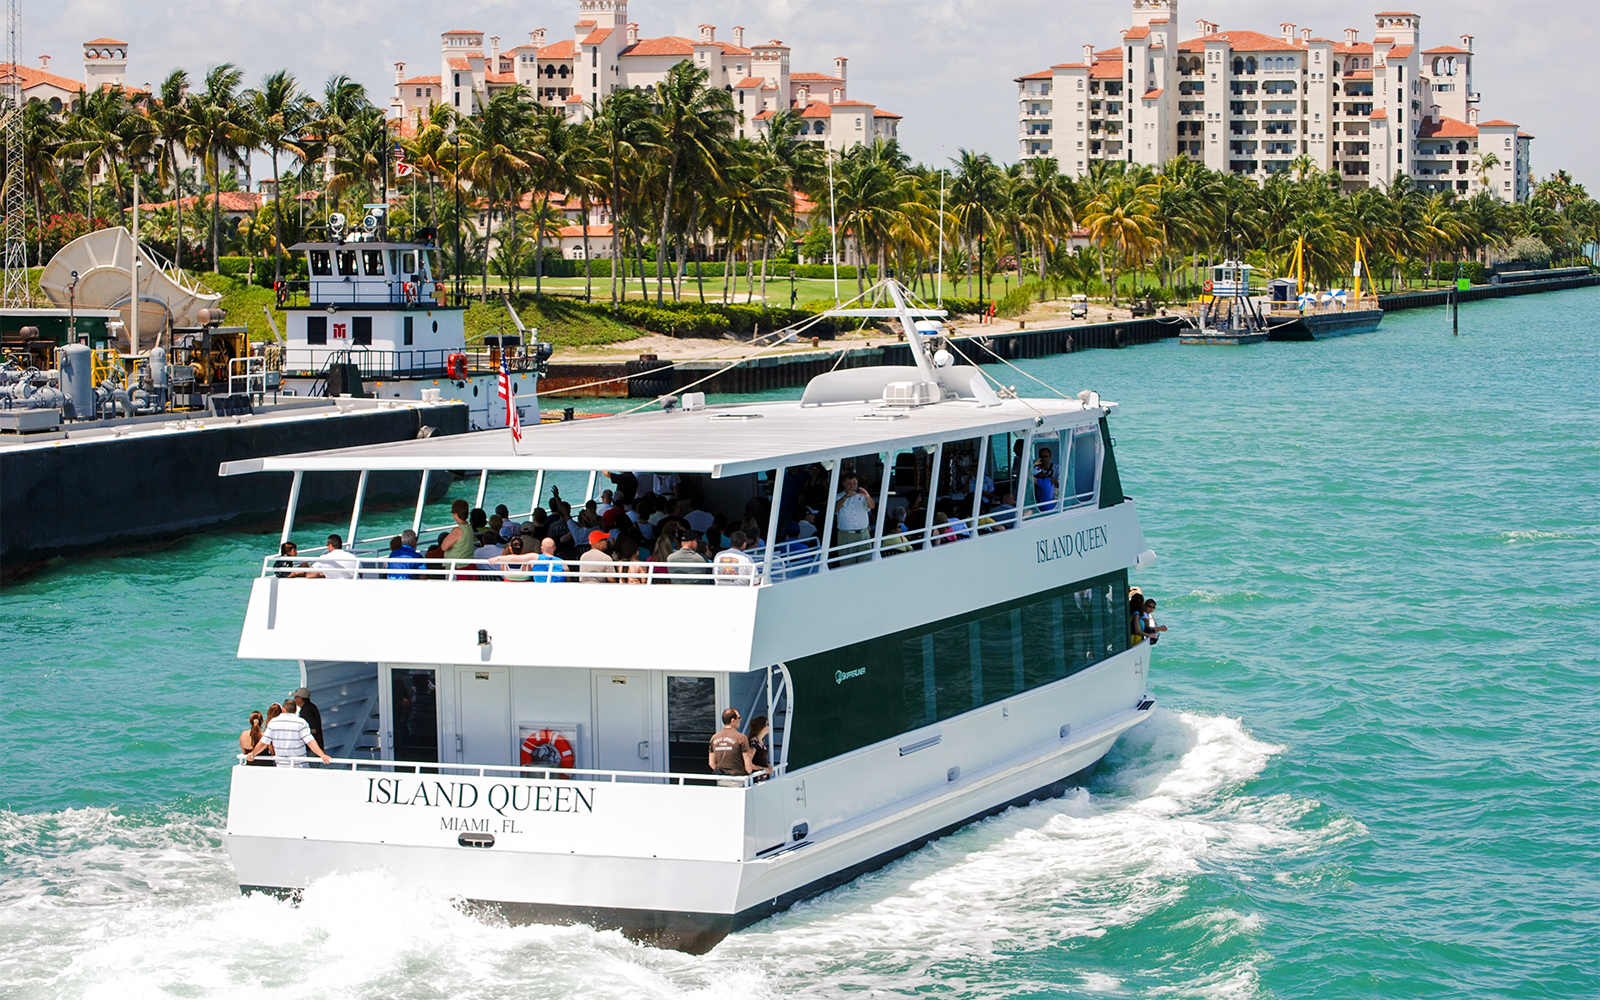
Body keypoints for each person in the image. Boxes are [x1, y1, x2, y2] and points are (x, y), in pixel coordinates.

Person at [246, 700, 331, 767]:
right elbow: (310, 741)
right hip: (300, 766)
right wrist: (322, 755)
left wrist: (253, 754)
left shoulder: (273, 722)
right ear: (296, 710)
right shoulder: (301, 722)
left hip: (281, 766)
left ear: (283, 709)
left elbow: (264, 742)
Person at [707, 708, 753, 783]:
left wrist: (723, 773)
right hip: (738, 780)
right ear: (733, 721)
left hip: (722, 780)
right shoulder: (741, 738)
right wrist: (749, 774)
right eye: (739, 718)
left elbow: (711, 763)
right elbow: (748, 763)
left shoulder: (714, 738)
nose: (740, 720)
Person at [441, 499, 476, 563]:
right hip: (467, 562)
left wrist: (452, 545)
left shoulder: (458, 530)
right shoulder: (469, 527)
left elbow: (444, 547)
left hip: (457, 566)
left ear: (456, 514)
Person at [746, 714, 773, 781]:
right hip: (757, 777)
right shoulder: (753, 743)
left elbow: (762, 758)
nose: (769, 727)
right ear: (762, 727)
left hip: (764, 776)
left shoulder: (762, 741)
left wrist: (768, 766)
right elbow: (749, 762)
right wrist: (762, 768)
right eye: (767, 724)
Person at [1033, 447, 1059, 513]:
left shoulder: (1058, 468)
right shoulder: (1036, 469)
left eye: (1046, 456)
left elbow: (1061, 485)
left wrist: (1051, 479)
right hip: (1038, 498)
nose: (1043, 459)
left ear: (1050, 457)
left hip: (1053, 498)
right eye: (1041, 457)